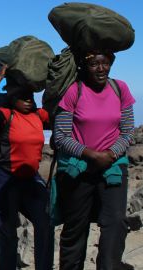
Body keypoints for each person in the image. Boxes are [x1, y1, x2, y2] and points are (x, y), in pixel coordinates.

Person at [54, 51, 135, 270]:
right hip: (80, 167)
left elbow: (127, 133)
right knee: (75, 227)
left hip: (113, 167)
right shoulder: (74, 91)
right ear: (84, 66)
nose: (101, 69)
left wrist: (110, 155)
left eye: (105, 63)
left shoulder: (120, 89)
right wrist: (91, 154)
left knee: (116, 222)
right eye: (94, 64)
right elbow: (60, 137)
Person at [0, 64, 54, 270]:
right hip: (7, 180)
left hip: (30, 179)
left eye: (31, 97)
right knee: (8, 232)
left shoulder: (39, 116)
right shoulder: (7, 115)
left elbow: (56, 111)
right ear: (13, 100)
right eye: (23, 98)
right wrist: (0, 77)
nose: (28, 101)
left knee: (45, 223)